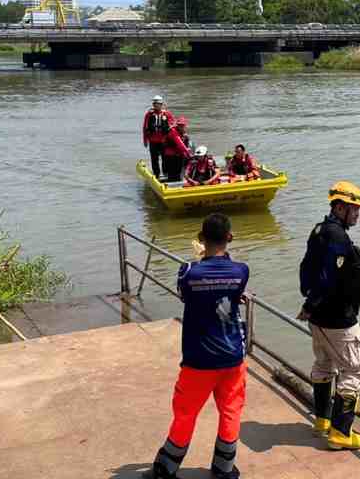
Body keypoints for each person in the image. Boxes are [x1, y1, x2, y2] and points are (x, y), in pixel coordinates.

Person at [152, 213, 249, 479]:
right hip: (232, 357)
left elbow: (185, 295)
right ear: (229, 238)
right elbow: (232, 291)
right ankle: (223, 470)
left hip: (198, 359)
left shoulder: (188, 272)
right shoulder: (241, 271)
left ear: (201, 238)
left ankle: (166, 469)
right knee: (230, 411)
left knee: (185, 413)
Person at [297, 181, 360, 450]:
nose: (357, 215)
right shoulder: (338, 236)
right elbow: (329, 278)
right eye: (354, 209)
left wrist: (308, 303)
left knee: (324, 365)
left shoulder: (319, 230)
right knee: (354, 370)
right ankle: (341, 433)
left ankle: (322, 421)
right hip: (338, 318)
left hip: (319, 317)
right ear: (340, 208)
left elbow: (306, 269)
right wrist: (313, 302)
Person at [143, 96, 176, 178]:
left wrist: (173, 140)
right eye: (154, 104)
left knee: (165, 158)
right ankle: (156, 174)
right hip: (153, 141)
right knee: (154, 159)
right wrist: (145, 140)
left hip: (164, 141)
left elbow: (173, 125)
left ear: (161, 105)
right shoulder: (149, 114)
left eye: (158, 104)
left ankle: (166, 173)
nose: (156, 106)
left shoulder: (167, 114)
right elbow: (145, 127)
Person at [162, 116, 193, 183]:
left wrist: (190, 154)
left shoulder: (184, 134)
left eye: (182, 125)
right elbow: (180, 144)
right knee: (172, 173)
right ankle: (171, 185)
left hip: (179, 155)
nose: (181, 127)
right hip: (170, 155)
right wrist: (189, 154)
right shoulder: (173, 131)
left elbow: (189, 145)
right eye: (179, 125)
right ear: (177, 125)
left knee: (178, 172)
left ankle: (179, 182)